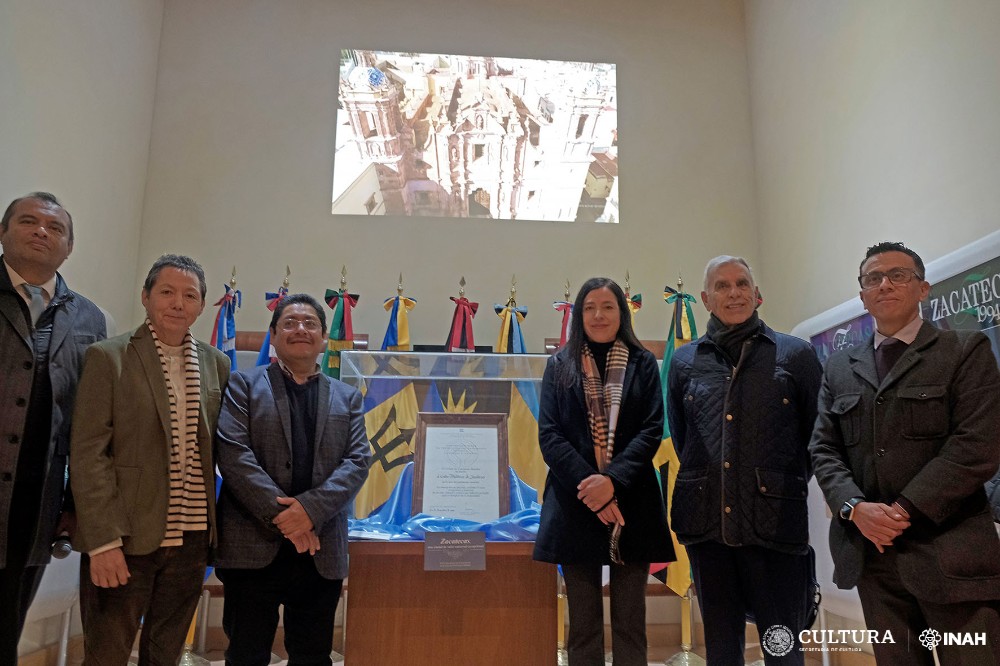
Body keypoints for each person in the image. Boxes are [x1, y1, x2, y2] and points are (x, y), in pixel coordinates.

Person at [810, 241, 1000, 664]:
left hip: (951, 554)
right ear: (862, 295)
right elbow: (823, 449)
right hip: (874, 560)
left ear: (923, 288)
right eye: (873, 278)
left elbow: (977, 445)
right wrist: (855, 508)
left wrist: (901, 511)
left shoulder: (965, 351)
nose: (885, 285)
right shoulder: (840, 367)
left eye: (898, 275)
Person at [70, 254, 230, 664]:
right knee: (106, 653)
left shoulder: (217, 364)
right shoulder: (108, 357)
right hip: (125, 538)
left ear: (200, 305)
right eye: (167, 292)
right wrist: (102, 543)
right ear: (146, 297)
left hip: (191, 540)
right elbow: (89, 455)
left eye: (190, 295)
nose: (178, 303)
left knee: (165, 655)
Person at [667, 255, 822, 665]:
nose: (733, 292)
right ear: (705, 298)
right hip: (708, 526)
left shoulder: (797, 355)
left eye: (741, 284)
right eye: (722, 285)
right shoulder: (684, 363)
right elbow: (686, 443)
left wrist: (773, 484)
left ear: (757, 295)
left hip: (775, 525)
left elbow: (814, 438)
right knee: (721, 648)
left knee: (782, 647)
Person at [214, 293, 371, 665]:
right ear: (274, 334)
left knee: (313, 656)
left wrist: (309, 512)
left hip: (321, 550)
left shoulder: (347, 397)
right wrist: (287, 518)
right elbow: (234, 455)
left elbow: (357, 460)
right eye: (289, 322)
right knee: (246, 654)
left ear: (323, 338)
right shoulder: (243, 385)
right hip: (252, 546)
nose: (300, 329)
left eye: (310, 323)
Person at [533, 277, 674, 666]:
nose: (598, 314)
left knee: (630, 621)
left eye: (608, 306)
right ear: (579, 313)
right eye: (590, 306)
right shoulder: (559, 365)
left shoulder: (643, 363)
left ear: (621, 313)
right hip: (574, 505)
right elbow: (550, 436)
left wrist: (611, 483)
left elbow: (651, 430)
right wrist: (591, 488)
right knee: (583, 623)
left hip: (632, 504)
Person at [0, 192, 109, 659]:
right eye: (28, 221)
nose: (41, 231)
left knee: (9, 619)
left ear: (69, 247)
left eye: (55, 228)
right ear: (4, 232)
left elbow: (88, 422)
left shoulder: (88, 318)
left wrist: (73, 502)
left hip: (36, 499)